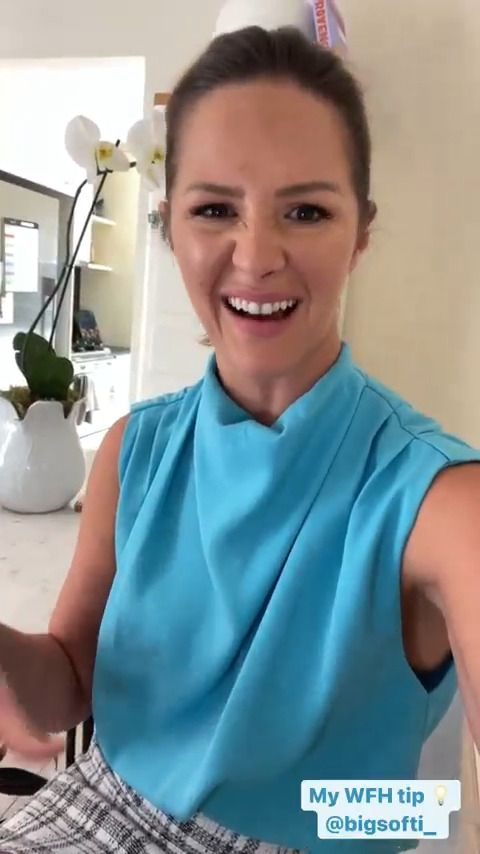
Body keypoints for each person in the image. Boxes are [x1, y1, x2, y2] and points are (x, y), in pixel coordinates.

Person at [0, 24, 479, 854]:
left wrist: (387, 822)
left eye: (306, 211)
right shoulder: (133, 451)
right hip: (102, 803)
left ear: (361, 233)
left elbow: (425, 809)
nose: (256, 257)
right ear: (169, 227)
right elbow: (68, 690)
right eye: (215, 209)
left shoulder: (437, 497)